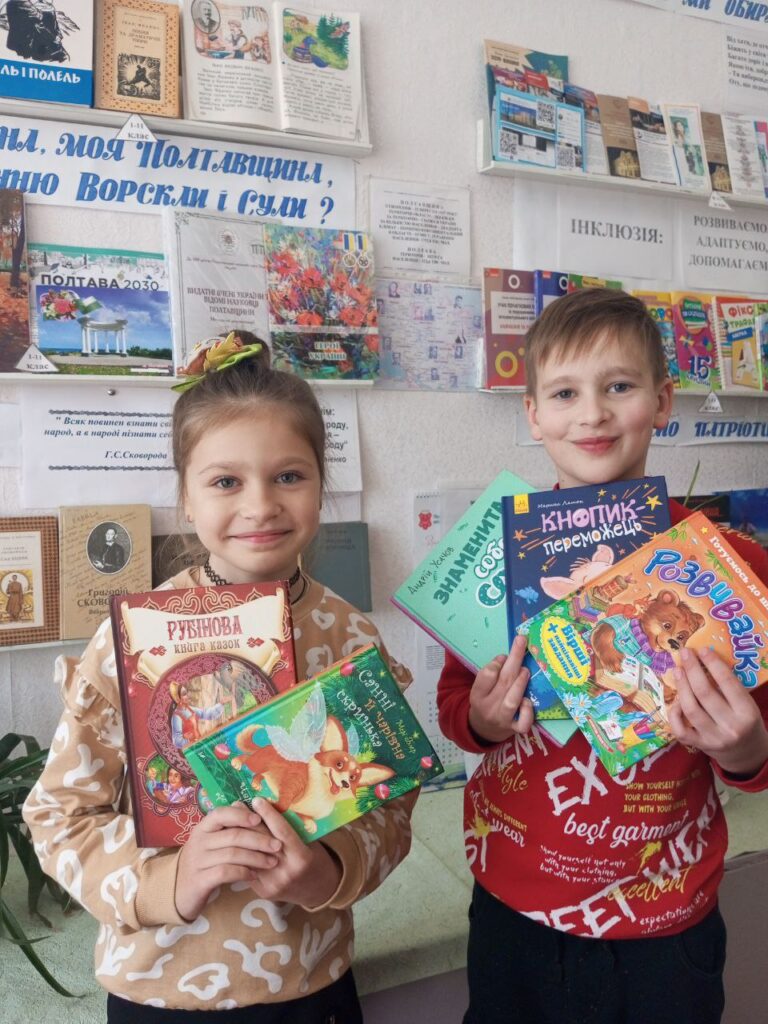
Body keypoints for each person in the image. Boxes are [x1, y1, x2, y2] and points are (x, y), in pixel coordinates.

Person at [24, 332, 415, 1022]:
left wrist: (329, 870)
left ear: (321, 485)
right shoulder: (131, 641)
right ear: (186, 498)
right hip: (159, 989)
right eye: (226, 481)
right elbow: (59, 817)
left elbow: (390, 805)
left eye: (289, 476)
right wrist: (169, 881)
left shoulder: (349, 636)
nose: (260, 505)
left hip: (309, 984)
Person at [436, 289, 768, 1024]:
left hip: (662, 923)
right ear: (533, 414)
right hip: (514, 913)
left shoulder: (732, 567)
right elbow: (456, 704)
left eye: (618, 386)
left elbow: (760, 742)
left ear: (663, 401)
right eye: (564, 393)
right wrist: (483, 720)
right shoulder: (494, 556)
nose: (592, 413)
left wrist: (747, 751)